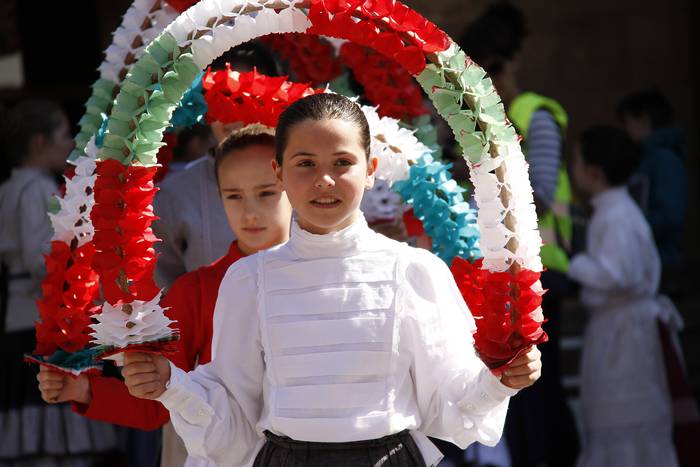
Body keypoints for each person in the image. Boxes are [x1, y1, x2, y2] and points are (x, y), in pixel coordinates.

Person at [121, 93, 543, 467]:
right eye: (305, 164)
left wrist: (497, 381)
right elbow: (235, 411)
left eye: (342, 163)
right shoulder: (248, 279)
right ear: (280, 172)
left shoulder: (415, 270)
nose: (324, 180)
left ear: (371, 167)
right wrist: (172, 385)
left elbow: (448, 400)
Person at [36, 125, 292, 467]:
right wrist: (83, 390)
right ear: (218, 195)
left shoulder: (330, 272)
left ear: (293, 187)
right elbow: (155, 401)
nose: (249, 211)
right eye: (234, 195)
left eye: (266, 193)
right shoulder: (197, 291)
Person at [461, 5, 579, 466]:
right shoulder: (477, 121)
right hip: (498, 273)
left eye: (489, 72)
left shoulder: (534, 114)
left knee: (539, 389)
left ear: (507, 65)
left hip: (543, 271)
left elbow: (544, 192)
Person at [0, 99, 120, 466]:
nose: (69, 143)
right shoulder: (36, 189)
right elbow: (42, 255)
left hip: (20, 316)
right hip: (40, 318)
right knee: (49, 420)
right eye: (64, 134)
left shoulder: (10, 187)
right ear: (39, 143)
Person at [568, 126, 680, 467]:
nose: (571, 169)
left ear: (594, 172)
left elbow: (616, 275)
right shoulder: (611, 210)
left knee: (627, 428)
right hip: (617, 330)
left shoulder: (618, 215)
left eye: (575, 161)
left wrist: (571, 260)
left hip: (625, 337)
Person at [617, 88, 687, 270]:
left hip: (662, 260)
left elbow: (670, 216)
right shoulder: (644, 159)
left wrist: (629, 230)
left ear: (644, 119)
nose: (625, 129)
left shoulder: (664, 159)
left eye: (627, 121)